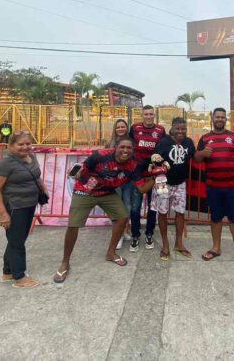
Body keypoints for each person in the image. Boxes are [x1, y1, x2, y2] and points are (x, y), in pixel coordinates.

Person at [53, 138, 154, 283]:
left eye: (129, 148)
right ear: (115, 148)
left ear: (132, 151)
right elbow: (81, 169)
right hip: (85, 192)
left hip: (107, 193)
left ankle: (111, 253)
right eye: (122, 147)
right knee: (73, 225)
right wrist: (77, 173)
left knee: (122, 217)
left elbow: (142, 188)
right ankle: (65, 262)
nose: (125, 151)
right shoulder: (100, 155)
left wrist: (157, 178)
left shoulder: (132, 166)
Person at [196, 108, 234, 271]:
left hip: (232, 188)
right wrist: (203, 153)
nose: (220, 119)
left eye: (222, 117)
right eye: (217, 117)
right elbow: (197, 158)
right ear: (212, 118)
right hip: (213, 187)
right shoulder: (205, 138)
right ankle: (216, 248)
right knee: (215, 219)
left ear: (225, 119)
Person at [0, 131, 47, 288]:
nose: (25, 147)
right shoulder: (5, 163)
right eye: (20, 144)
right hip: (15, 206)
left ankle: (7, 271)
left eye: (28, 144)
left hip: (30, 204)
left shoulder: (32, 157)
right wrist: (3, 214)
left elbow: (36, 175)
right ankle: (19, 276)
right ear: (10, 146)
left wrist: (43, 188)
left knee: (17, 239)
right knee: (17, 242)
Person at [152, 117, 195, 261]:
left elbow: (196, 156)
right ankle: (165, 244)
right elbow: (154, 161)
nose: (181, 131)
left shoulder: (188, 142)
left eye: (183, 129)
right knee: (162, 213)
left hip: (180, 184)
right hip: (164, 184)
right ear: (172, 128)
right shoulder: (163, 143)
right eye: (178, 128)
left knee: (180, 213)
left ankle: (178, 243)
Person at [128, 105, 166, 252]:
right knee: (135, 207)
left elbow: (164, 148)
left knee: (152, 206)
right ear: (142, 115)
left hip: (153, 175)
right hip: (137, 174)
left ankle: (149, 233)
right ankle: (135, 235)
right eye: (146, 114)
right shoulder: (135, 128)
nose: (149, 116)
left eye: (151, 114)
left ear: (154, 116)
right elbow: (129, 146)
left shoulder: (160, 130)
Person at [106, 118, 132, 249]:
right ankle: (118, 236)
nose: (121, 129)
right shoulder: (109, 144)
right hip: (114, 181)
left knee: (127, 206)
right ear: (115, 129)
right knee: (117, 208)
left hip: (128, 180)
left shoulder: (131, 142)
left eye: (123, 127)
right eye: (118, 127)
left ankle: (125, 230)